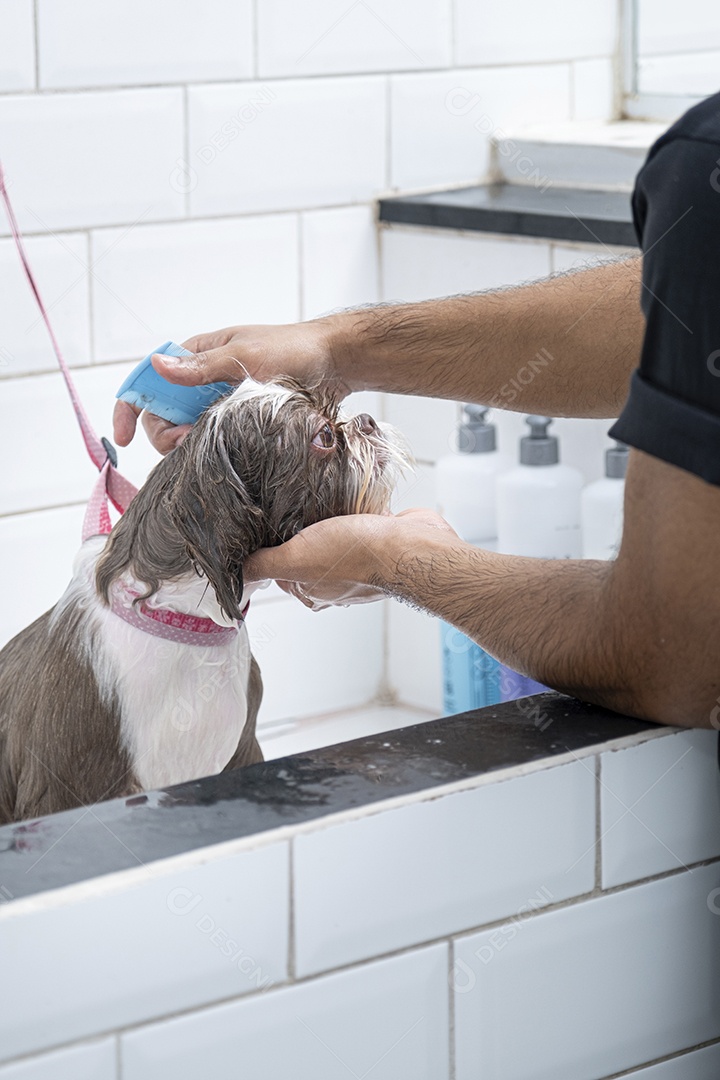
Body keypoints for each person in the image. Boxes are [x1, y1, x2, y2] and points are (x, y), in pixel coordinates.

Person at [114, 93, 720, 731]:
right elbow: (669, 317)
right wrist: (339, 348)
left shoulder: (702, 162)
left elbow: (672, 659)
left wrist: (401, 562)